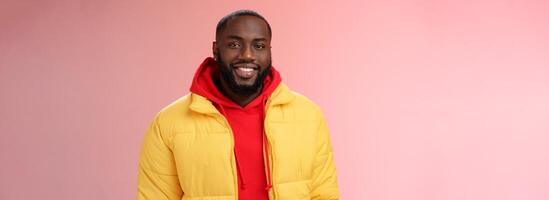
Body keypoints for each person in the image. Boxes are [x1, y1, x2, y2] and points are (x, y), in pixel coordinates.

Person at [137, 9, 339, 200]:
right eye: (234, 44)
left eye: (258, 46)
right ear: (216, 50)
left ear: (269, 51)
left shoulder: (308, 115)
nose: (247, 55)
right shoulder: (168, 122)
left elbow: (324, 193)